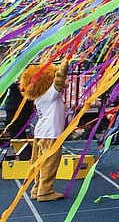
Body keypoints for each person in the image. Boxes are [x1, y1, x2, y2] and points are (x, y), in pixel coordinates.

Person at [20, 60, 69, 202]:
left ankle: (36, 189)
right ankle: (45, 191)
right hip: (51, 134)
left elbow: (59, 85)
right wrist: (63, 68)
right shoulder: (49, 94)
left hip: (41, 133)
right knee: (50, 163)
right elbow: (59, 82)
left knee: (38, 162)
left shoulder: (40, 96)